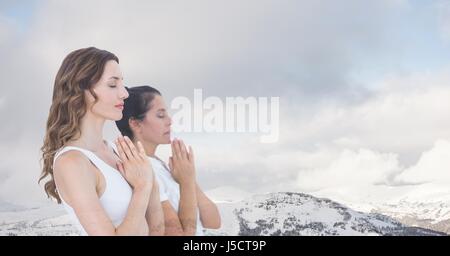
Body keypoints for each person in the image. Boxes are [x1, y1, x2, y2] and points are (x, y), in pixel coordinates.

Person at [39, 47, 164, 235]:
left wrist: (150, 183)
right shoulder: (72, 162)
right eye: (113, 85)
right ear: (82, 90)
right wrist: (142, 187)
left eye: (122, 84)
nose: (124, 94)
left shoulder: (116, 151)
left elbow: (156, 229)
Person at [115, 85, 221, 235]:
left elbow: (213, 223)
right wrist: (187, 184)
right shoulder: (140, 169)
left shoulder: (160, 164)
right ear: (135, 124)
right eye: (160, 115)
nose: (170, 121)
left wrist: (189, 179)